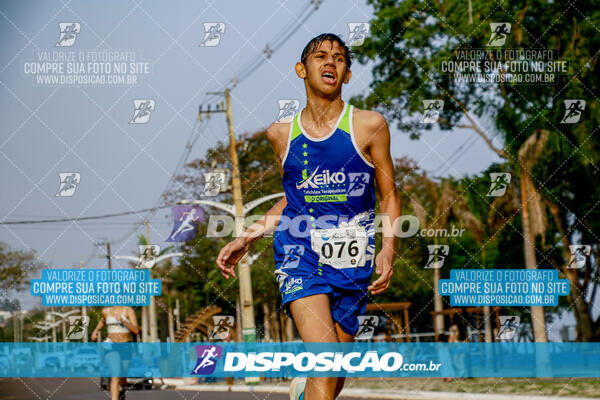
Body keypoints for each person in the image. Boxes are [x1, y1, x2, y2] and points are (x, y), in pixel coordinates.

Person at [216, 33, 401, 400]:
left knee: (333, 376)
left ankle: (303, 393)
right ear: (302, 69)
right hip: (300, 255)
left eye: (339, 58)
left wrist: (389, 247)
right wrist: (246, 237)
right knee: (327, 359)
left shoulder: (370, 125)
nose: (330, 62)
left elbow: (389, 193)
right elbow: (291, 201)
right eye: (320, 56)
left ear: (346, 75)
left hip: (354, 259)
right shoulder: (281, 134)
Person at [91, 306, 139, 400]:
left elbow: (136, 330)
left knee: (123, 376)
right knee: (115, 373)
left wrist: (123, 320)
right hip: (111, 346)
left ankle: (121, 388)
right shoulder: (106, 311)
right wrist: (96, 331)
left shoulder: (128, 310)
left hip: (125, 345)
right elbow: (103, 321)